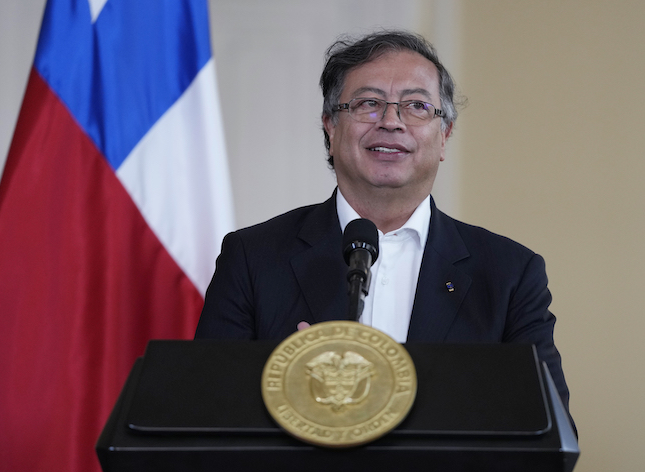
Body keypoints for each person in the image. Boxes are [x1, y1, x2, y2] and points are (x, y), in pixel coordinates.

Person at [194, 30, 570, 413]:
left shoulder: (510, 273)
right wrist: (286, 386)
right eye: (368, 103)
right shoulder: (252, 258)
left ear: (445, 135)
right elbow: (203, 417)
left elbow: (549, 436)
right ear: (330, 125)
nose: (391, 121)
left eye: (417, 106)